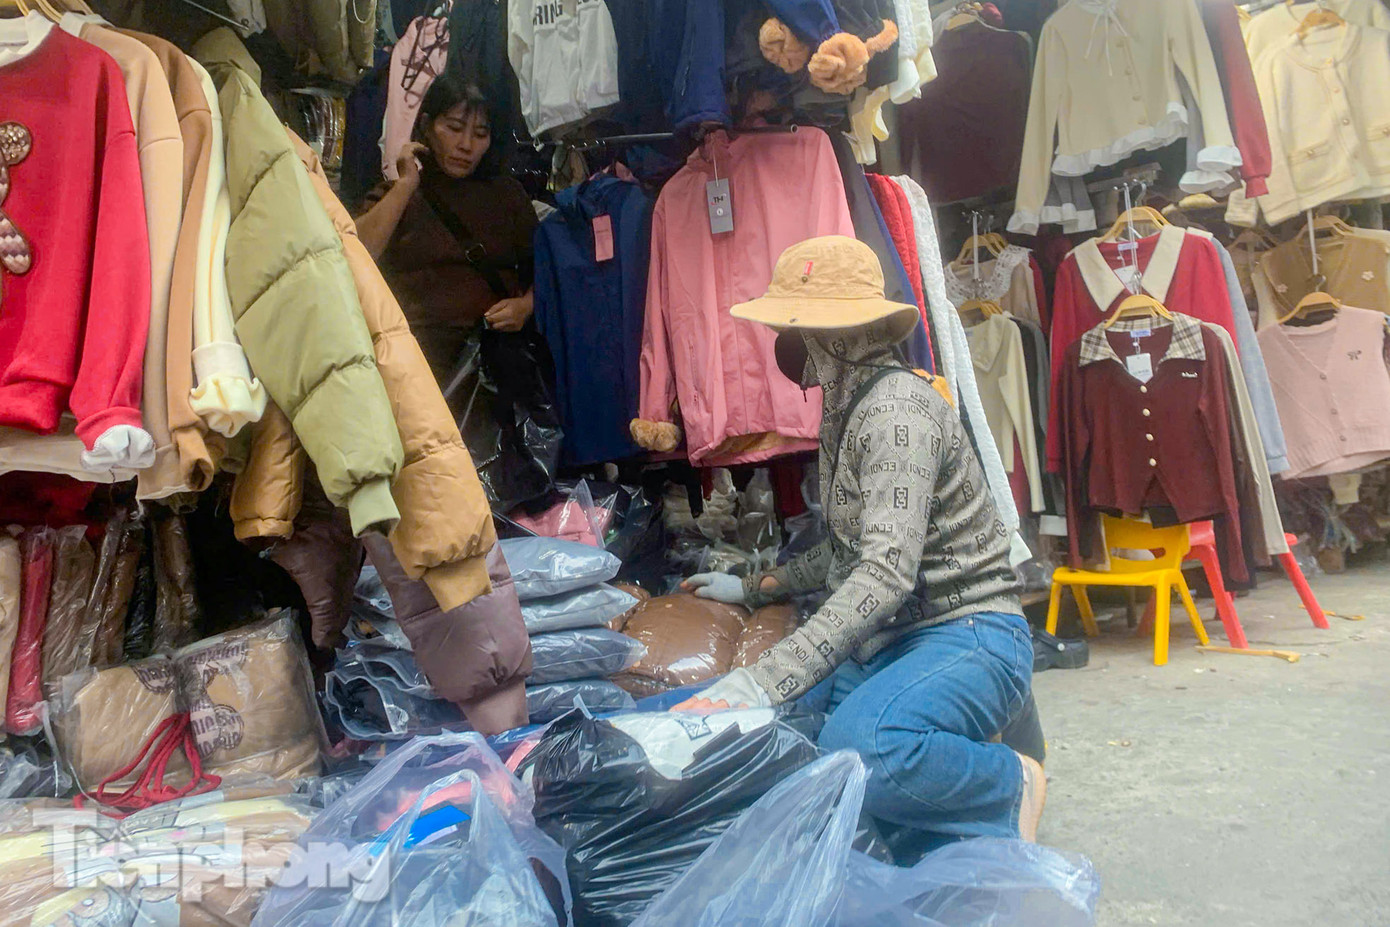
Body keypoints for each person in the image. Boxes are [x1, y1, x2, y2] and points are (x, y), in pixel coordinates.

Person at [673, 235, 1046, 843]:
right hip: (893, 641)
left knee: (861, 753)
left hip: (968, 630)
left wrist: (759, 681)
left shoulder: (896, 413)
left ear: (833, 337)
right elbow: (853, 550)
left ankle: (1012, 779)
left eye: (792, 329)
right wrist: (753, 585)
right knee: (795, 743)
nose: (784, 345)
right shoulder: (850, 406)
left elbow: (884, 575)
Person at [355, 73, 537, 378]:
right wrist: (404, 186)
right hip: (409, 367)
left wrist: (525, 307)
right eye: (453, 128)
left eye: (480, 133)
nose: (466, 145)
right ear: (426, 126)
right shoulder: (398, 195)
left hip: (491, 369)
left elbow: (546, 274)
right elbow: (354, 257)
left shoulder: (507, 196)